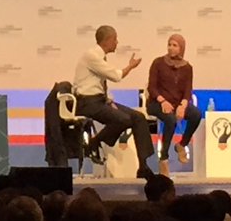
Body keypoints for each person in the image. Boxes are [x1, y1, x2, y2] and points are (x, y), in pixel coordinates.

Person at [72, 25, 153, 179]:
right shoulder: (91, 56)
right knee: (123, 119)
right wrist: (130, 67)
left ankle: (143, 166)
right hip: (87, 103)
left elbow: (100, 83)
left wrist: (109, 101)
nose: (117, 42)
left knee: (138, 117)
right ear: (107, 40)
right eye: (115, 39)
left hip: (99, 101)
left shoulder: (100, 57)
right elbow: (115, 76)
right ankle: (94, 143)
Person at [145, 34, 203, 166]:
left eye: (175, 45)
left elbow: (187, 90)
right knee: (170, 119)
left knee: (196, 114)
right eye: (169, 45)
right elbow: (152, 87)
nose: (171, 48)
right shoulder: (158, 63)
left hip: (177, 103)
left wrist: (183, 105)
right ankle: (164, 158)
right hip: (156, 102)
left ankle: (182, 144)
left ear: (181, 48)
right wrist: (163, 101)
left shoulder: (187, 67)